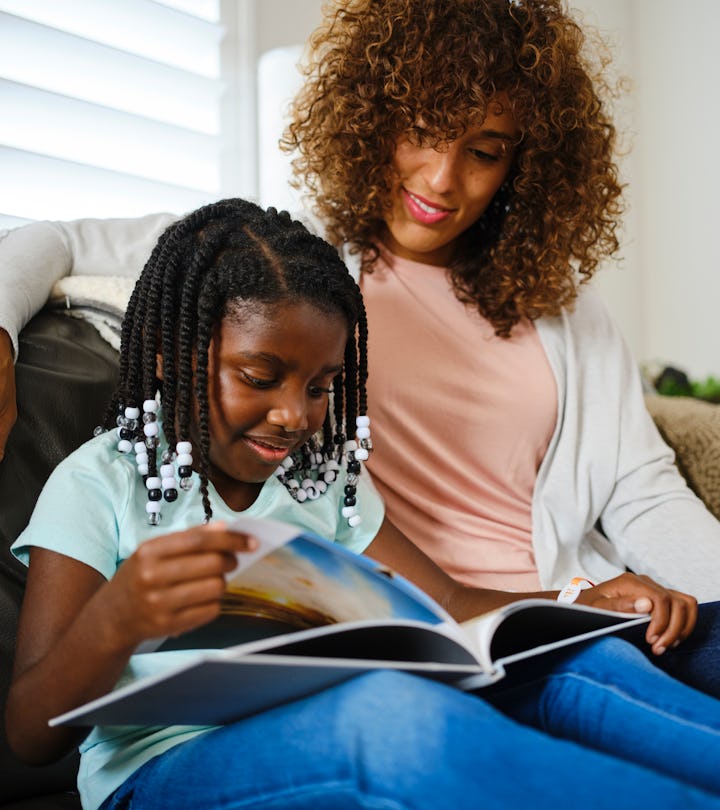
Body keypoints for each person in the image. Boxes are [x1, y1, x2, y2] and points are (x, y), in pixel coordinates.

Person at [0, 0, 718, 685]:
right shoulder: (281, 270)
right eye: (425, 129)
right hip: (422, 638)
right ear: (373, 114)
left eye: (484, 151)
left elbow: (642, 490)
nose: (443, 177)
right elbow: (53, 240)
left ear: (521, 166)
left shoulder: (566, 309)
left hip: (562, 612)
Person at [7, 196, 720, 810]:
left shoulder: (324, 479)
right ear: (170, 356)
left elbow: (446, 598)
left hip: (318, 722)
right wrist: (119, 619)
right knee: (390, 715)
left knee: (587, 664)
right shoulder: (98, 483)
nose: (294, 415)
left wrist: (579, 602)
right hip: (165, 770)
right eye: (261, 377)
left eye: (319, 387)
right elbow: (30, 734)